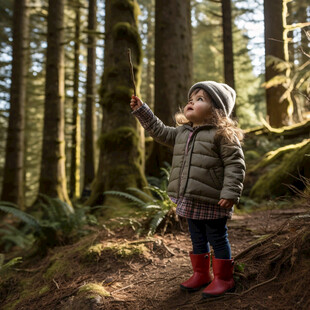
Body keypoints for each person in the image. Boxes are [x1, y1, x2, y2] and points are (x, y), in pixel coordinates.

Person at [130, 81, 245, 298]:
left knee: (217, 237)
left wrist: (230, 192)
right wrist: (142, 111)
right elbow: (159, 131)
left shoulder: (223, 134)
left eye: (200, 99)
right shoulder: (183, 132)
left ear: (217, 110)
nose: (191, 102)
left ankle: (224, 278)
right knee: (196, 237)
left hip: (213, 199)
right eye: (190, 99)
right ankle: (201, 273)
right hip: (190, 198)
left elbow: (235, 164)